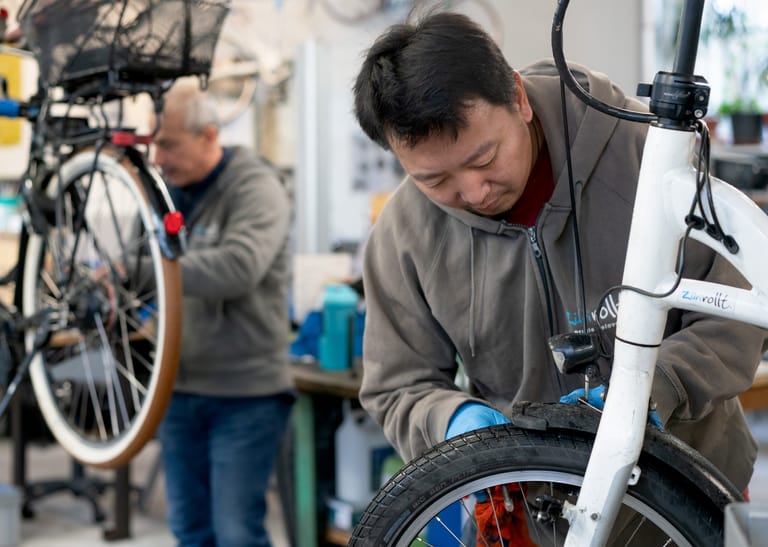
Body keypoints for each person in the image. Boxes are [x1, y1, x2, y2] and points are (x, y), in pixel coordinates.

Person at [352, 10, 767, 502]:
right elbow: (398, 385)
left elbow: (734, 313)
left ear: (518, 98)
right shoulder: (404, 233)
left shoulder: (644, 157)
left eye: (484, 158)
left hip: (691, 488)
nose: (475, 192)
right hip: (538, 509)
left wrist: (657, 386)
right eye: (435, 180)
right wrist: (450, 420)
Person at [152, 80, 295, 547]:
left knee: (236, 534)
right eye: (154, 145)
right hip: (175, 390)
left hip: (244, 395)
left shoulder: (256, 186)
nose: (158, 158)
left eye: (168, 144)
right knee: (190, 530)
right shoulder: (165, 191)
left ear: (208, 135)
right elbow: (133, 261)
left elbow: (239, 267)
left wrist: (145, 271)